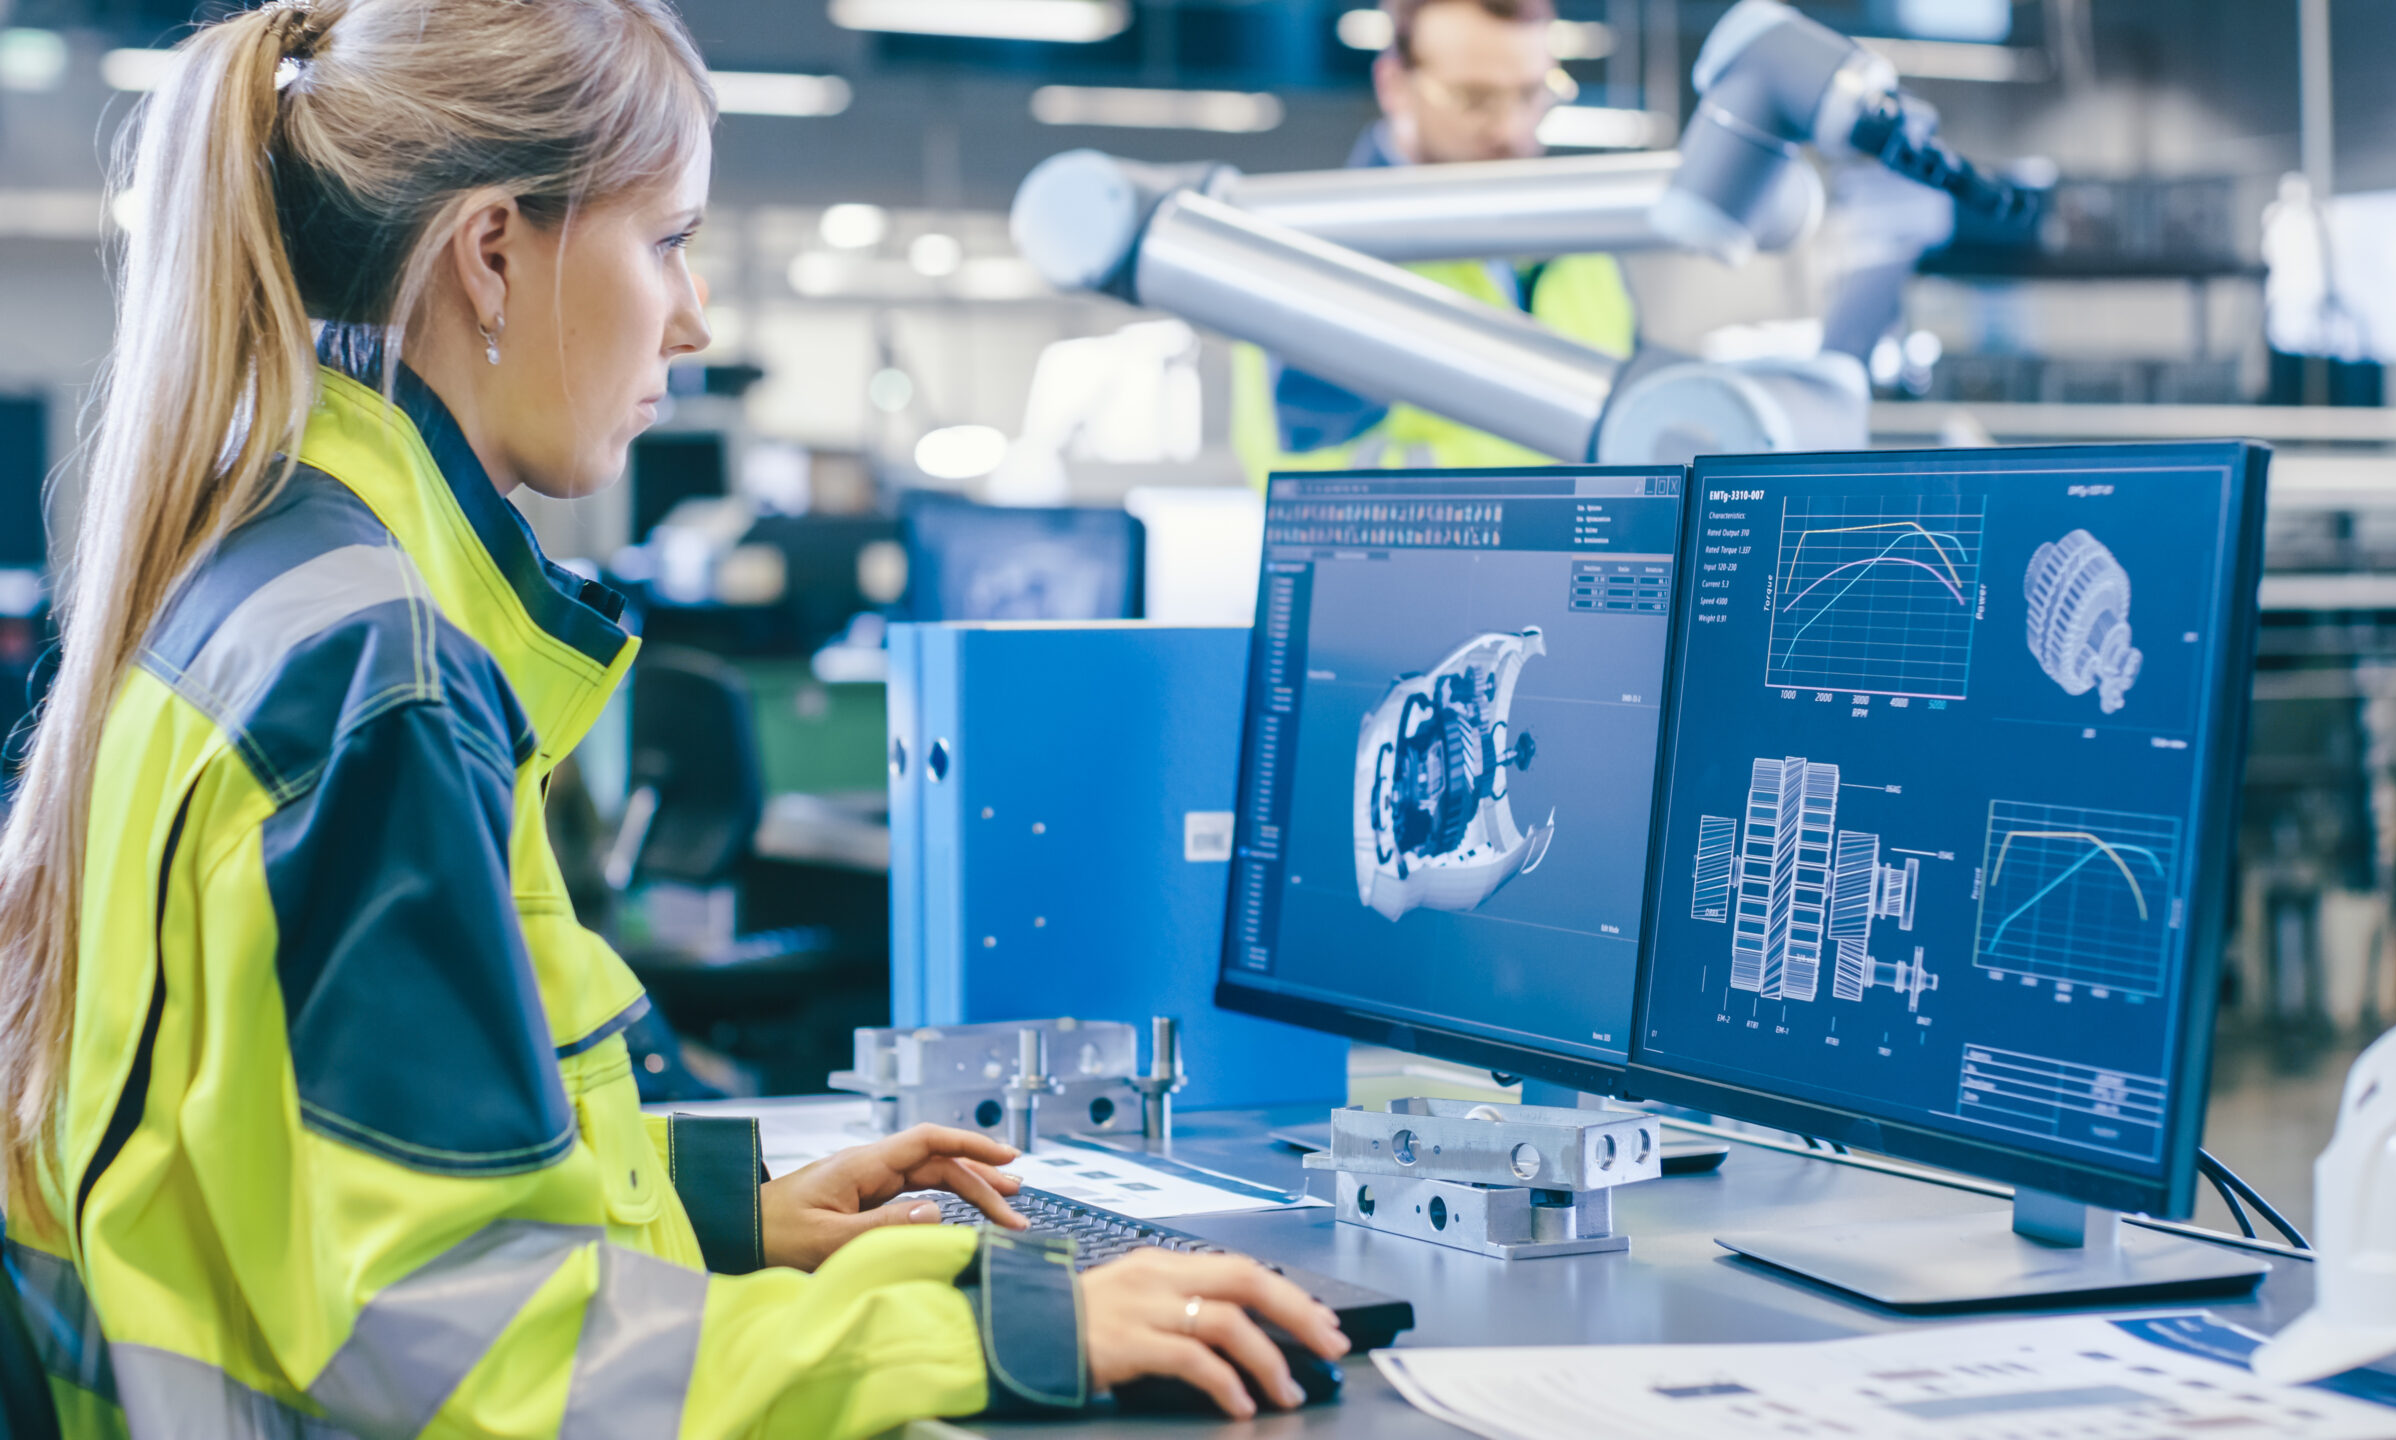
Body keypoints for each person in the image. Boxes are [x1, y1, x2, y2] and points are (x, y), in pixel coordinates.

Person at [0, 2, 1346, 1434]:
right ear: (495, 252)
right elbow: (454, 1336)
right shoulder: (377, 672)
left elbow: (334, 1158)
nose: (693, 319)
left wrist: (726, 1210)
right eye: (667, 242)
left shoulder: (273, 574)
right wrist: (1011, 1326)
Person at [1230, 0, 1638, 482]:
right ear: (1394, 86)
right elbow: (1303, 487)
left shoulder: (1583, 250)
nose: (1510, 129)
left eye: (1532, 93)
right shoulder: (1321, 258)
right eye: (1473, 98)